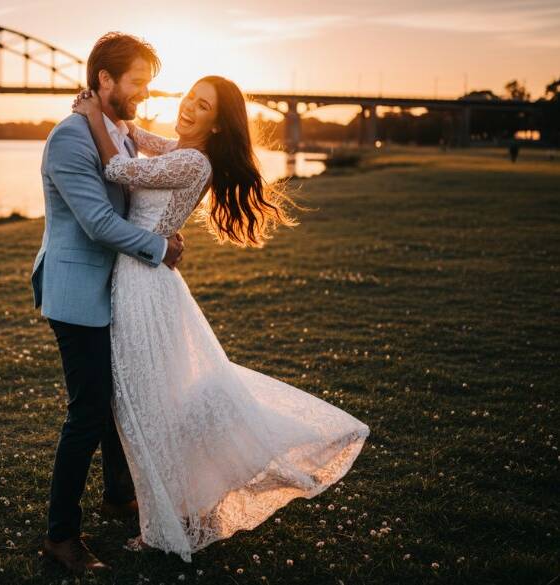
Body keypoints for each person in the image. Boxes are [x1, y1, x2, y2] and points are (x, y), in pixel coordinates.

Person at [71, 75, 370, 563]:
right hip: (139, 280)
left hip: (145, 288)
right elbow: (137, 139)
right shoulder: (181, 150)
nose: (189, 107)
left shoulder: (193, 160)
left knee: (147, 407)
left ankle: (166, 524)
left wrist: (89, 118)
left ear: (218, 123)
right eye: (190, 97)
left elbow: (120, 169)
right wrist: (109, 108)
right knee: (142, 404)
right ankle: (174, 509)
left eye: (203, 106)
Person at [30, 32, 185, 574]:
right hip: (75, 295)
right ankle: (61, 536)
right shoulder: (71, 138)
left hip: (111, 289)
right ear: (105, 80)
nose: (145, 92)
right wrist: (160, 247)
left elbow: (150, 164)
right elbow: (96, 223)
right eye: (138, 81)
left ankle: (118, 494)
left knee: (116, 401)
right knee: (88, 411)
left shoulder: (116, 129)